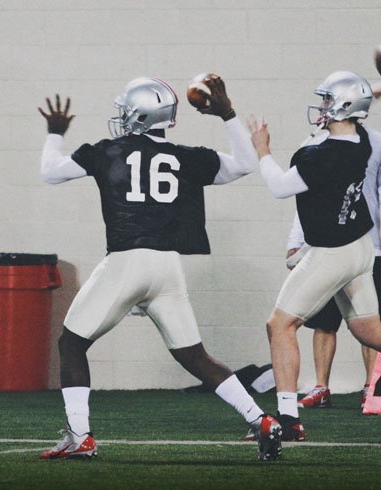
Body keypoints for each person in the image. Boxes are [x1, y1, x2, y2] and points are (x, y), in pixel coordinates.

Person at [37, 76, 282, 461]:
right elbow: (247, 164)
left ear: (137, 115)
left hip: (127, 260)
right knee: (195, 356)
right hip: (168, 265)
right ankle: (261, 419)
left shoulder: (109, 150)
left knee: (72, 343)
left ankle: (79, 435)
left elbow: (50, 171)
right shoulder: (187, 156)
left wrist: (55, 133)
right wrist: (227, 114)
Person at [249, 71, 381, 449]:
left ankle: (288, 419)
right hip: (361, 247)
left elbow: (279, 187)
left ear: (345, 107)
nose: (321, 107)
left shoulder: (327, 154)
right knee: (371, 332)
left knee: (279, 325)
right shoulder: (360, 141)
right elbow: (351, 122)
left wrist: (262, 149)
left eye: (328, 101)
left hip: (333, 252)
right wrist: (376, 91)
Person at [288, 117, 381, 410]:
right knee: (324, 323)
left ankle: (372, 386)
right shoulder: (315, 145)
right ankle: (321, 387)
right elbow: (306, 200)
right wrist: (295, 241)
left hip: (365, 246)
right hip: (323, 246)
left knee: (370, 325)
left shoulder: (377, 144)